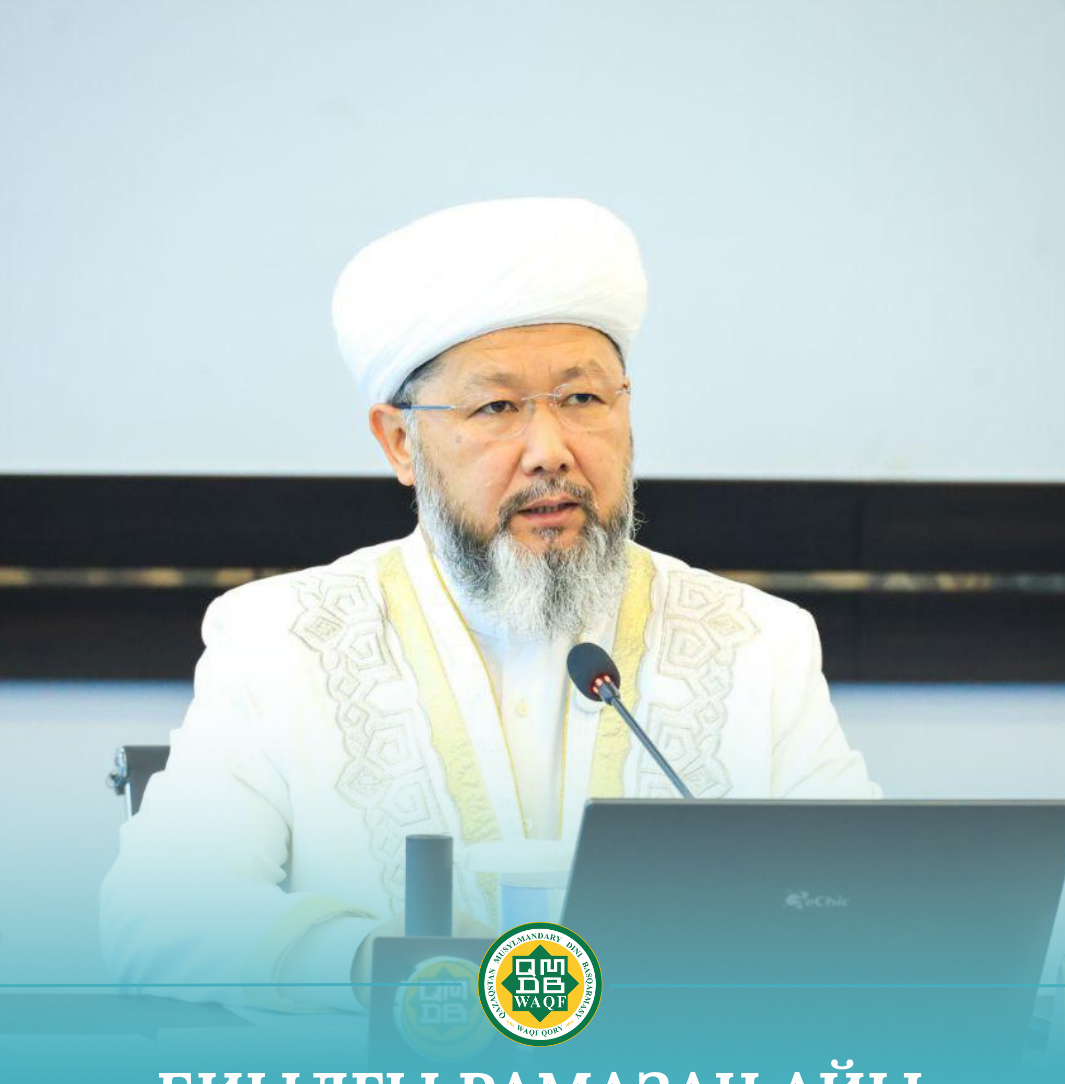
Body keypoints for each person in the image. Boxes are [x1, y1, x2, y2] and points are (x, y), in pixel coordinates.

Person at [100, 197, 879, 1013]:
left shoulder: (758, 643)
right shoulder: (281, 640)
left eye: (584, 400)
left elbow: (867, 906)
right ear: (399, 442)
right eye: (497, 408)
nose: (550, 451)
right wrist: (377, 965)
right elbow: (155, 919)